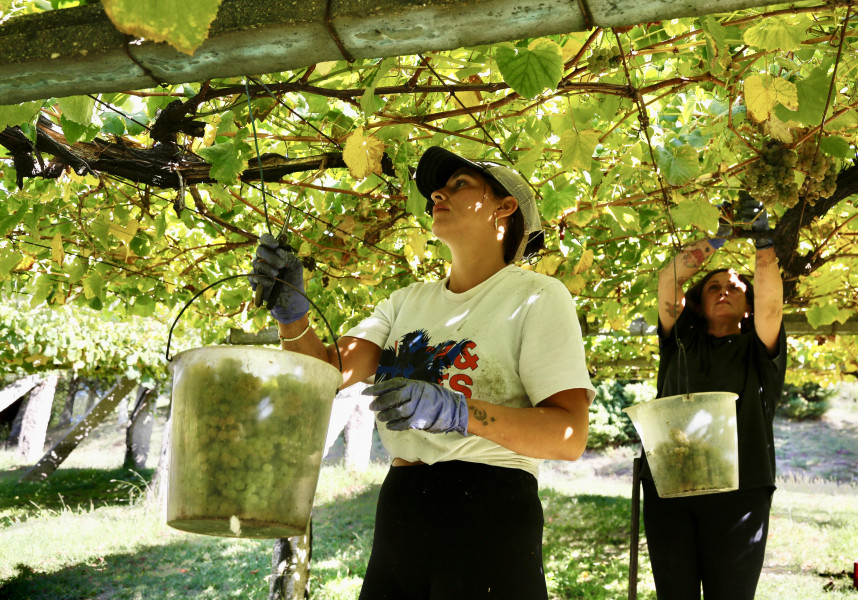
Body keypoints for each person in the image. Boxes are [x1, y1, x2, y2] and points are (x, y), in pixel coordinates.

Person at [250, 146, 595, 600]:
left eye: (459, 184)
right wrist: (290, 312)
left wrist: (458, 412)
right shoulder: (405, 302)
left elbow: (568, 436)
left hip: (489, 511)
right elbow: (323, 374)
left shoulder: (537, 296)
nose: (437, 193)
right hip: (401, 507)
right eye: (438, 187)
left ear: (505, 207)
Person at [641, 192, 787, 600]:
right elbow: (668, 280)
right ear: (699, 304)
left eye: (735, 287)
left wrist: (762, 244)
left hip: (741, 494)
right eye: (714, 287)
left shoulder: (760, 350)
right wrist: (717, 240)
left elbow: (772, 307)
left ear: (748, 306)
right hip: (671, 488)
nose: (724, 290)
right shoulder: (681, 343)